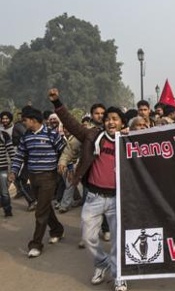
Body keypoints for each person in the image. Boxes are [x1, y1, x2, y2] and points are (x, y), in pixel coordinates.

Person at [47, 88, 128, 291]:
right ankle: (101, 264)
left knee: (118, 241)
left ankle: (119, 276)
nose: (110, 121)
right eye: (108, 118)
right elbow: (72, 125)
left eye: (115, 119)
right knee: (87, 237)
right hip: (94, 197)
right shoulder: (92, 135)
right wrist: (58, 103)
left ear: (122, 123)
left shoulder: (131, 142)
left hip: (118, 198)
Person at [8, 107, 66, 258]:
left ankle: (36, 244)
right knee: (45, 207)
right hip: (33, 177)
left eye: (25, 120)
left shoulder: (51, 134)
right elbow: (19, 155)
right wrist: (13, 171)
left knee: (40, 211)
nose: (23, 123)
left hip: (49, 177)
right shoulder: (26, 136)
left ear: (33, 120)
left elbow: (64, 151)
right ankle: (57, 230)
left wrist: (68, 168)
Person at [0, 127, 15, 217]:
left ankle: (7, 210)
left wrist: (13, 170)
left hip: (2, 169)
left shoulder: (4, 135)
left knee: (4, 192)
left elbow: (12, 153)